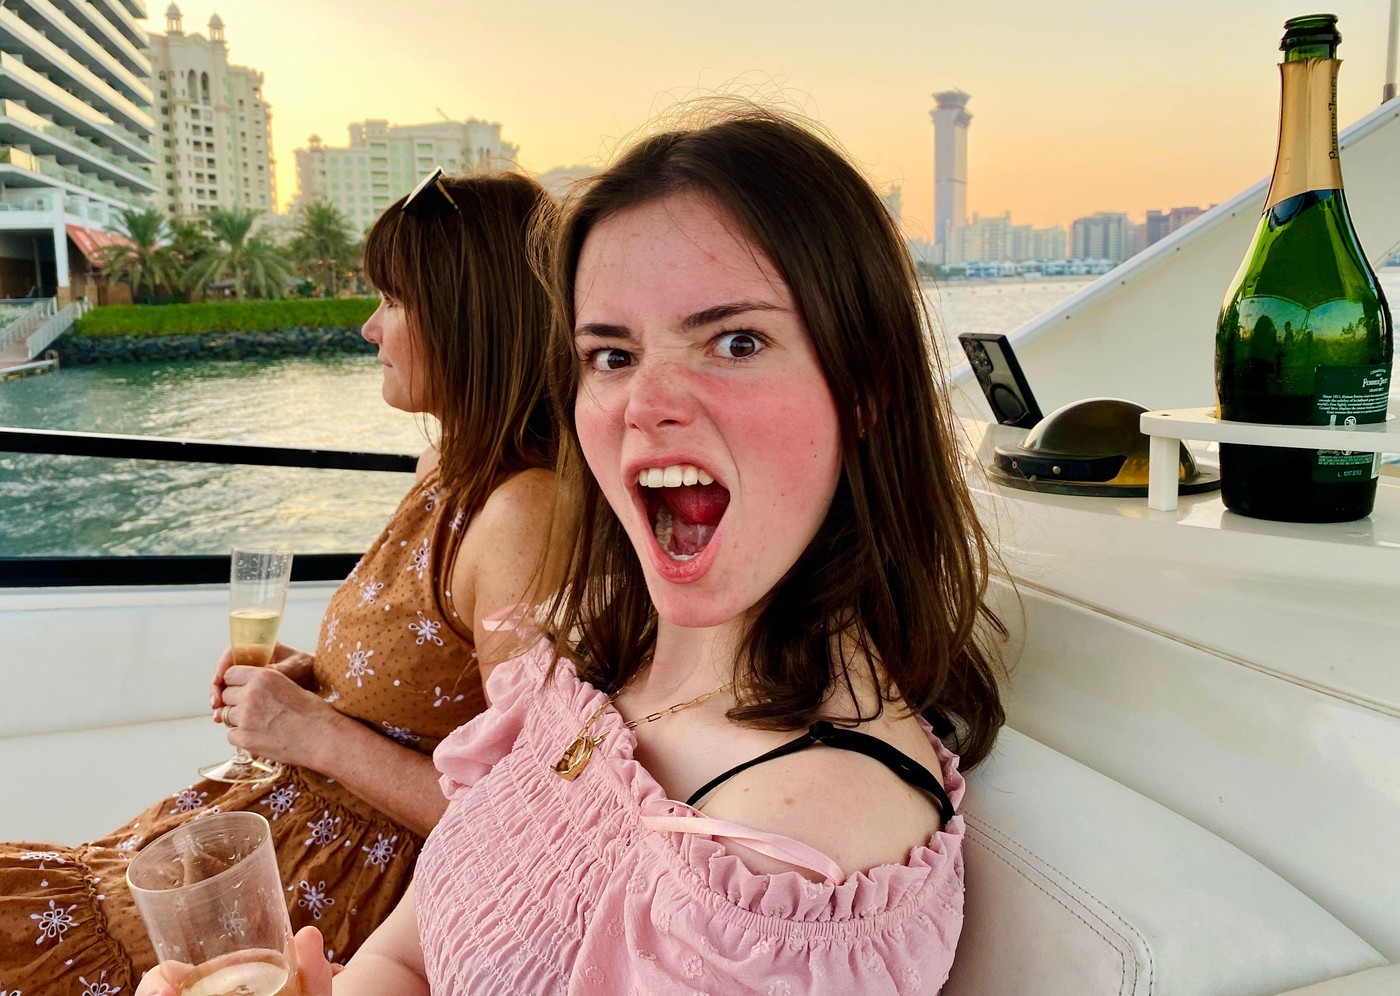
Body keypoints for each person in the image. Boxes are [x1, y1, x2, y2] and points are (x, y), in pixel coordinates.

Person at [143, 106, 1006, 995]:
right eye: (612, 355)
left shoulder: (792, 845)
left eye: (736, 341)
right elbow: (406, 955)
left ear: (865, 389)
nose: (646, 404)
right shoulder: (585, 663)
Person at [1, 169, 561, 994]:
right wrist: (315, 683)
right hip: (261, 842)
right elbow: (434, 687)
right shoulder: (444, 470)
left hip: (333, 906)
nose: (370, 327)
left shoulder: (523, 516)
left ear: (466, 318)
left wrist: (318, 734)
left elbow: (537, 825)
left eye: (393, 301)